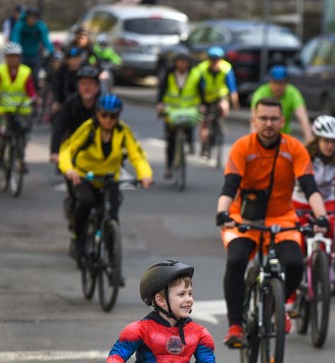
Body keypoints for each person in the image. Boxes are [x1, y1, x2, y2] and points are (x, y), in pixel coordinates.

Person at [216, 97, 328, 347]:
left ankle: (277, 306)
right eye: (263, 118)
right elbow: (230, 184)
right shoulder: (242, 147)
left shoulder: (295, 148)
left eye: (273, 119)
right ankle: (235, 325)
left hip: (281, 218)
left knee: (295, 264)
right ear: (253, 120)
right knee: (236, 261)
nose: (268, 123)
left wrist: (321, 217)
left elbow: (309, 187)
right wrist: (222, 212)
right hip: (242, 218)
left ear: (282, 121)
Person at [58, 94, 153, 261]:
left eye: (113, 116)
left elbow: (137, 156)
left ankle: (112, 259)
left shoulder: (123, 131)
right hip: (84, 177)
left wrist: (145, 175)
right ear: (98, 114)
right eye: (104, 115)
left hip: (109, 180)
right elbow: (67, 150)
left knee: (112, 214)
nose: (108, 120)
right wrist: (69, 170)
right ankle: (77, 239)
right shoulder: (89, 128)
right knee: (86, 202)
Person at [292, 115, 335, 306]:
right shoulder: (305, 155)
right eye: (325, 140)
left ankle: (326, 263)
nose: (330, 145)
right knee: (296, 241)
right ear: (317, 139)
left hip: (327, 202)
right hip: (301, 202)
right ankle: (296, 276)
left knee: (331, 230)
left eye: (333, 141)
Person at [50, 65, 101, 227]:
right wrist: (55, 151)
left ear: (97, 87)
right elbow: (59, 127)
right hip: (72, 152)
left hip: (97, 153)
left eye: (91, 84)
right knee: (79, 194)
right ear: (78, 86)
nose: (87, 87)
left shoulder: (103, 105)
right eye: (83, 83)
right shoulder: (70, 103)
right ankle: (73, 210)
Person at [156, 48, 203, 180]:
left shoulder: (194, 74)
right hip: (172, 110)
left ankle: (189, 143)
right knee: (170, 139)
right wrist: (159, 104)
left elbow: (201, 91)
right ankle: (169, 167)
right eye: (180, 62)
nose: (182, 64)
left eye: (184, 62)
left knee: (190, 125)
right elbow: (162, 90)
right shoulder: (169, 74)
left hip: (189, 109)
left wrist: (203, 105)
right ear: (175, 62)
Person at [0, 42, 38, 169]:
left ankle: (21, 158)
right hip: (3, 107)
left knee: (23, 133)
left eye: (15, 56)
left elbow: (31, 89)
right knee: (1, 131)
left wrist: (35, 98)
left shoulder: (25, 71)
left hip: (21, 108)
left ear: (19, 57)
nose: (13, 59)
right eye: (10, 56)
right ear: (6, 57)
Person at [250, 65, 312, 141]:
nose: (278, 87)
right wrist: (253, 142)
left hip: (284, 138)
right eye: (275, 83)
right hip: (264, 137)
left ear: (287, 83)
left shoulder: (293, 93)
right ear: (270, 82)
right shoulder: (260, 93)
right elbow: (254, 120)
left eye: (281, 83)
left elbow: (303, 119)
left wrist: (310, 142)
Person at [197, 46, 238, 156]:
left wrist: (234, 100)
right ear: (209, 59)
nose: (215, 62)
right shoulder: (202, 69)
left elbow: (232, 86)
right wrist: (201, 104)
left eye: (217, 59)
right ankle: (203, 143)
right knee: (204, 120)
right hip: (206, 98)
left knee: (224, 107)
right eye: (212, 59)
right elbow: (198, 88)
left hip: (220, 96)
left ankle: (220, 122)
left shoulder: (226, 68)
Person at [10, 7, 54, 75]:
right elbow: (15, 38)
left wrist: (52, 51)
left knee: (35, 73)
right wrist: (14, 50)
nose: (32, 21)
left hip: (35, 53)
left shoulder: (40, 26)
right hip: (22, 53)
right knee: (21, 73)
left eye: (34, 18)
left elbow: (46, 40)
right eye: (30, 18)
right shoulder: (20, 25)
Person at [51, 47, 87, 114]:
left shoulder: (85, 71)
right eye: (73, 59)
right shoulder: (61, 71)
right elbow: (57, 87)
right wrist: (56, 101)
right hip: (64, 102)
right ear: (67, 60)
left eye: (78, 58)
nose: (75, 62)